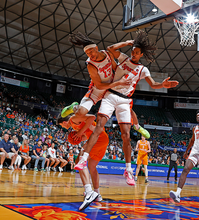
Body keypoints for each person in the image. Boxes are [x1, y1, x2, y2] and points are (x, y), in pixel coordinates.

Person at [74, 30, 178, 185]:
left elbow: (153, 84)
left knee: (126, 136)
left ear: (141, 54)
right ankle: (83, 159)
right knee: (99, 128)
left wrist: (162, 85)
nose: (133, 54)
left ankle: (128, 170)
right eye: (133, 52)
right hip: (110, 95)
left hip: (125, 101)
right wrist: (128, 42)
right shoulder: (123, 58)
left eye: (136, 53)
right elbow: (110, 48)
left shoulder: (143, 69)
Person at [65, 31, 150, 139]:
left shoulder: (107, 54)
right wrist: (118, 82)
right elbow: (99, 85)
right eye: (88, 54)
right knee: (81, 112)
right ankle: (74, 107)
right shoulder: (91, 65)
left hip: (112, 88)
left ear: (96, 48)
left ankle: (138, 127)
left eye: (91, 51)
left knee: (129, 109)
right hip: (97, 90)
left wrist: (128, 75)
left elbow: (116, 68)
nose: (91, 55)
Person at [57, 110, 109, 211]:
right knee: (92, 167)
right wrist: (81, 137)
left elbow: (92, 117)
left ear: (64, 122)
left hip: (98, 139)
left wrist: (80, 132)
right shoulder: (74, 125)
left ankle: (89, 191)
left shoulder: (73, 119)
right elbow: (89, 132)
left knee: (80, 160)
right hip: (102, 139)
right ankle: (97, 194)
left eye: (62, 126)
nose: (63, 127)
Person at [169, 109, 199, 203]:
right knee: (185, 169)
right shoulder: (194, 128)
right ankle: (177, 194)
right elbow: (192, 140)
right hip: (195, 152)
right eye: (197, 115)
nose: (198, 116)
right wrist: (186, 151)